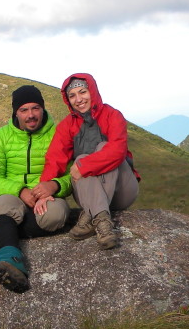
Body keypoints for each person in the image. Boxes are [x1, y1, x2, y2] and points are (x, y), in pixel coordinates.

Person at [0, 84, 72, 293]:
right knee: (3, 204)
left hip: (47, 197)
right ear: (16, 112)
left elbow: (75, 174)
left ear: (43, 109)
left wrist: (55, 185)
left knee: (56, 215)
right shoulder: (1, 137)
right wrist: (20, 190)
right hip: (14, 196)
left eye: (35, 108)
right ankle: (11, 262)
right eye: (24, 110)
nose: (30, 115)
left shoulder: (59, 134)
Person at [32, 73, 139, 249]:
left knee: (98, 150)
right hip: (88, 195)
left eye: (83, 92)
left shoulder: (112, 115)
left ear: (92, 92)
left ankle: (90, 216)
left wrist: (84, 166)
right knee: (81, 159)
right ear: (68, 100)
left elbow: (118, 150)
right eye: (72, 95)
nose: (79, 99)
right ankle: (102, 222)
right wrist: (44, 190)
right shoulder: (67, 125)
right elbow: (55, 158)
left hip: (122, 190)